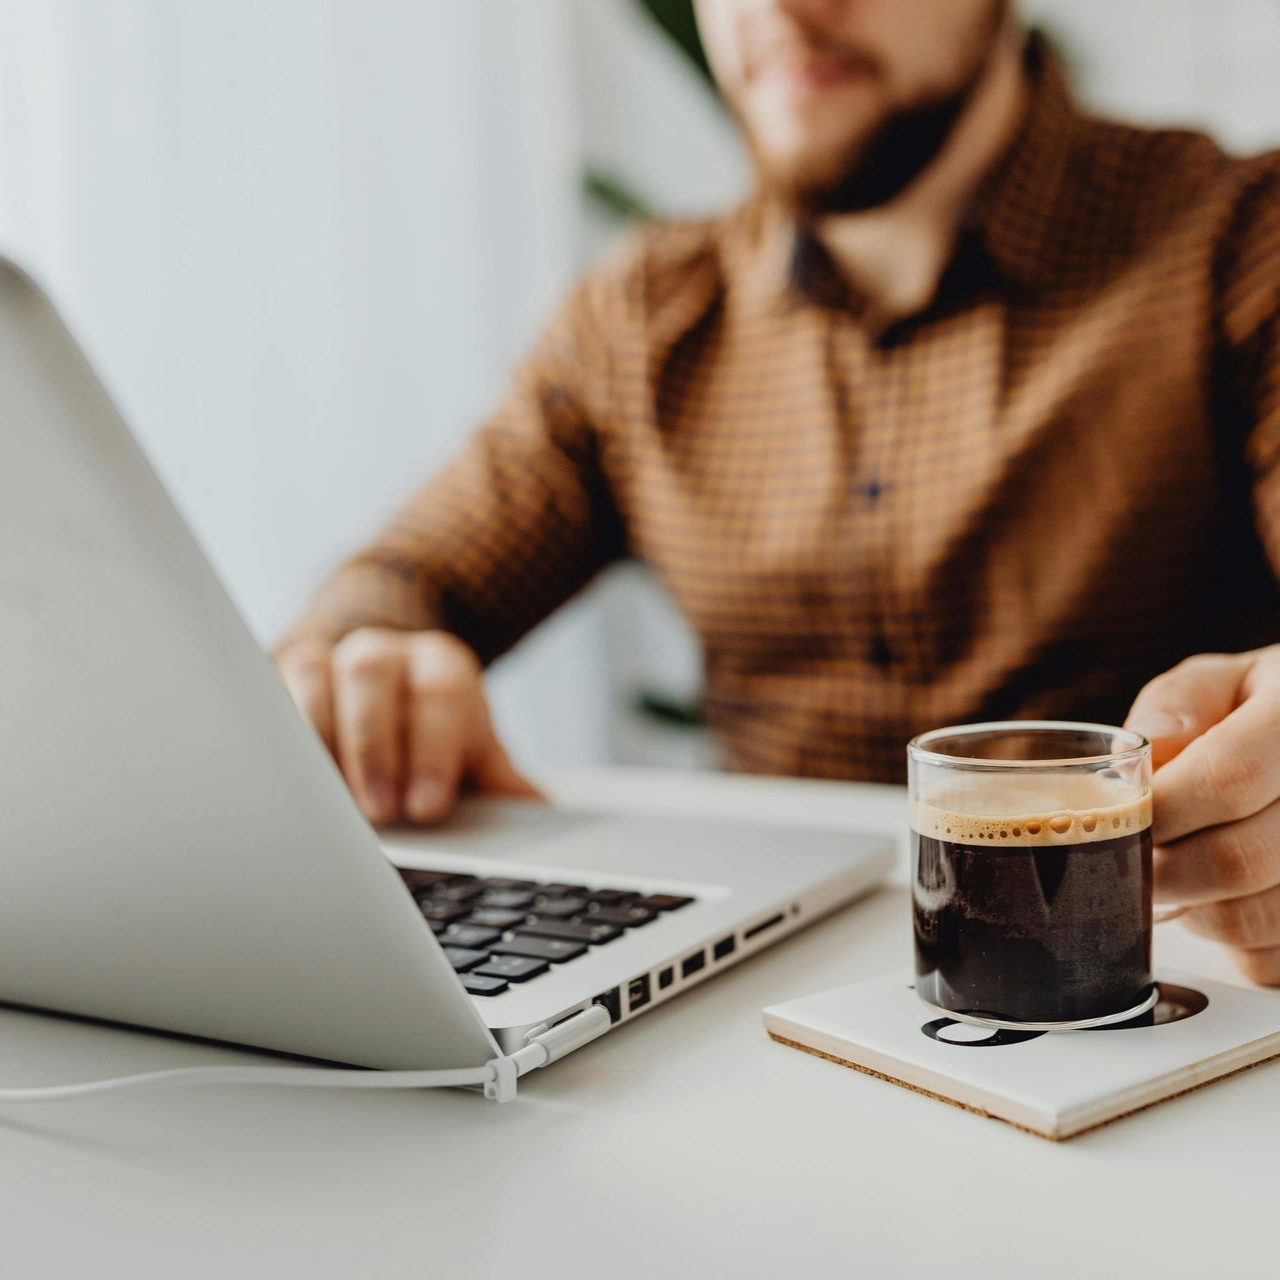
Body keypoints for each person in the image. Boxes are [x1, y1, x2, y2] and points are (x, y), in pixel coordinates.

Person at [274, 0, 1280, 986]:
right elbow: (403, 580)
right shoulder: (637, 322)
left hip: (1148, 1017)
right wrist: (363, 665)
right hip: (750, 1020)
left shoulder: (1239, 244)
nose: (780, 10)